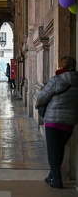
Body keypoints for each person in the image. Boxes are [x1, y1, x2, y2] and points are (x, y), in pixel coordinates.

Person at [35, 56, 78, 189]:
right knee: (58, 150)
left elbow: (41, 99)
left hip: (53, 121)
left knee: (53, 152)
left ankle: (57, 181)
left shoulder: (56, 80)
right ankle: (51, 176)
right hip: (69, 122)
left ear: (61, 67)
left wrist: (38, 106)